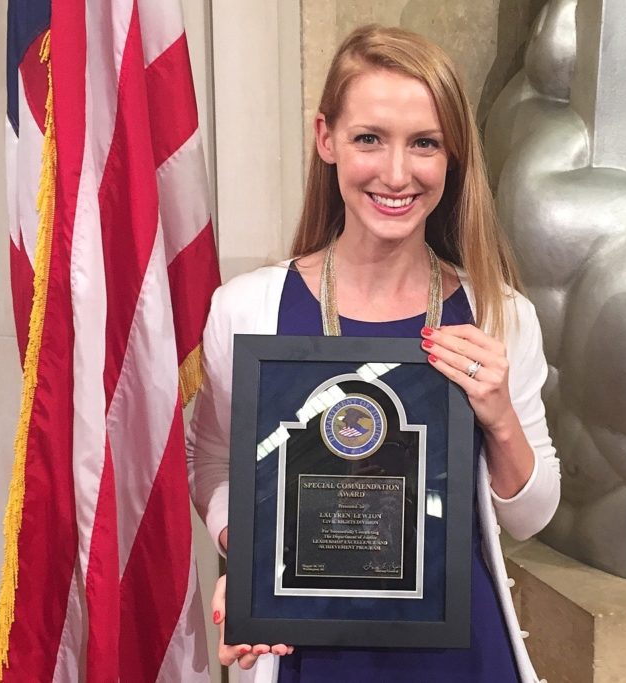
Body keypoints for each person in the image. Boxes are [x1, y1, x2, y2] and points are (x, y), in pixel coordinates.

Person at [187, 24, 560, 683]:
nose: (396, 173)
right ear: (326, 138)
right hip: (310, 649)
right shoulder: (246, 309)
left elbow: (529, 518)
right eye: (369, 139)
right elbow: (213, 461)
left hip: (462, 653)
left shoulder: (502, 316)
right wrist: (248, 558)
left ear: (452, 157)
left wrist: (500, 417)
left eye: (424, 143)